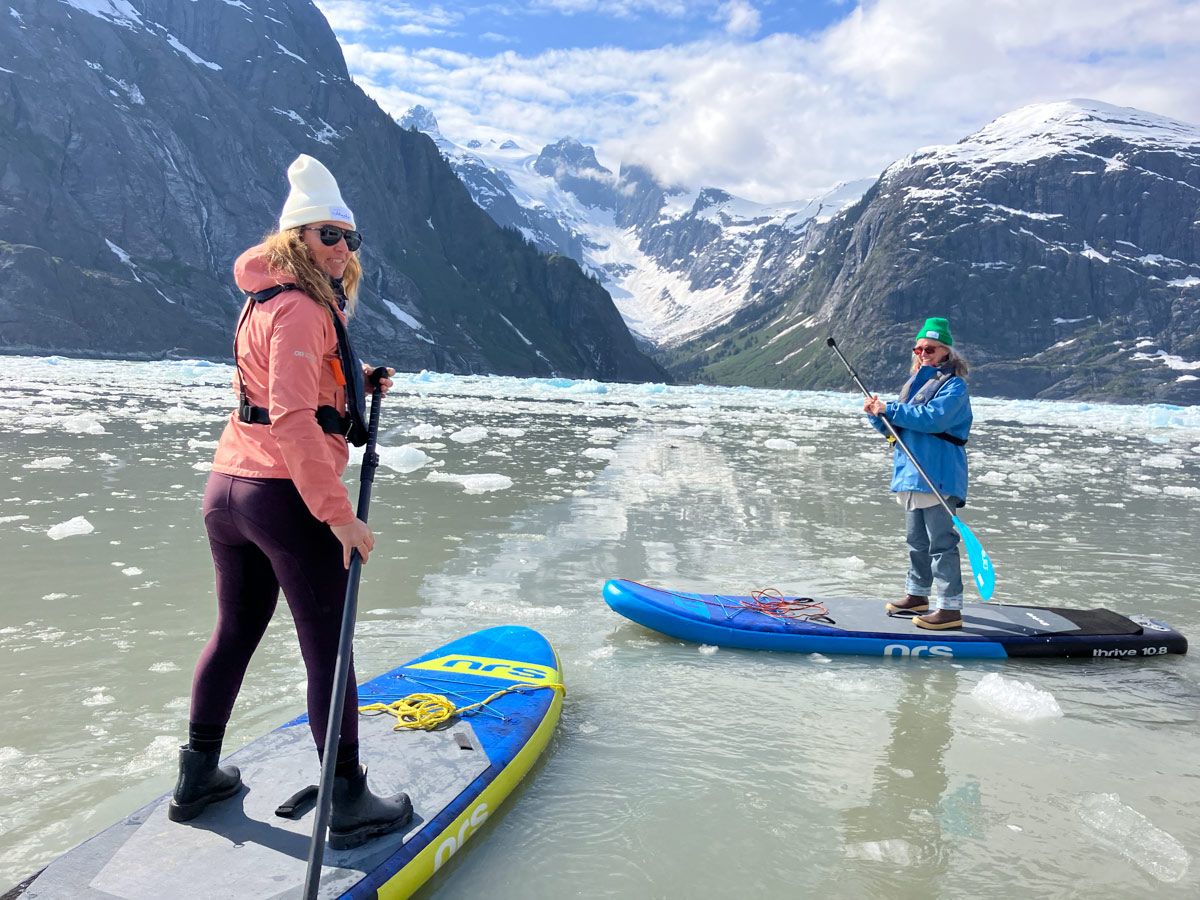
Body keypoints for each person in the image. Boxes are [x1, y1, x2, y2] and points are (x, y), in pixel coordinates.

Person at [170, 154, 412, 849]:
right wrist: (339, 514)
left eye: (349, 238)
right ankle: (348, 800)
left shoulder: (265, 299)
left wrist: (355, 376)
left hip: (228, 491)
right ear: (296, 237)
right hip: (283, 498)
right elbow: (294, 419)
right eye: (327, 235)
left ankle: (197, 776)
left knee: (235, 632)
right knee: (330, 655)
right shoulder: (305, 308)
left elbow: (279, 379)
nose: (341, 249)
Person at [863, 317, 972, 629]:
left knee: (941, 543)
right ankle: (918, 595)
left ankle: (950, 608)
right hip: (911, 475)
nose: (923, 353)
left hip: (938, 474)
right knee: (916, 542)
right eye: (919, 348)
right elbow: (895, 432)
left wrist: (891, 409)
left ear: (945, 352)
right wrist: (877, 416)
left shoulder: (954, 387)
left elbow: (933, 420)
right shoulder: (913, 385)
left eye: (930, 348)